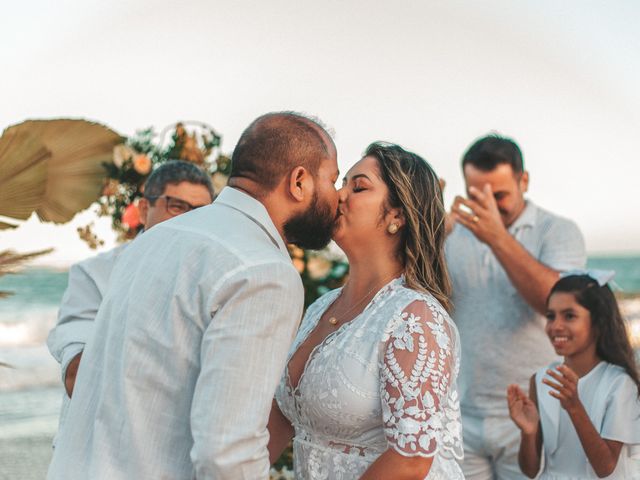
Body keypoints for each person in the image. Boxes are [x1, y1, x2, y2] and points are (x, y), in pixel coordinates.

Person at [46, 112, 340, 480]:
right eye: (333, 179)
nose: (338, 195)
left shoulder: (152, 241)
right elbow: (226, 455)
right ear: (298, 181)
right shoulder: (263, 271)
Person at [268, 142, 464, 479]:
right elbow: (283, 418)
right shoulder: (320, 307)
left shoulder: (416, 319)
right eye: (342, 183)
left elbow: (410, 461)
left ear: (396, 216)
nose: (339, 195)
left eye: (358, 186)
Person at [445, 134, 586, 479]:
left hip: (537, 414)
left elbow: (556, 305)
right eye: (479, 195)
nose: (489, 206)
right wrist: (429, 233)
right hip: (462, 414)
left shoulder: (559, 231)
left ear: (524, 181)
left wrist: (497, 238)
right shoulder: (451, 235)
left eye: (500, 195)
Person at [46, 160, 215, 445]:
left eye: (202, 212)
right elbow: (78, 376)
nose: (191, 220)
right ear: (145, 209)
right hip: (96, 449)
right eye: (177, 206)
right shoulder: (95, 274)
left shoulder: (215, 281)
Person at [507, 272, 640, 479]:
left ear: (597, 323)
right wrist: (528, 431)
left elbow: (605, 467)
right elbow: (530, 470)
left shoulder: (619, 383)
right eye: (551, 316)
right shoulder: (541, 379)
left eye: (569, 315)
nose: (556, 326)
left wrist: (574, 407)